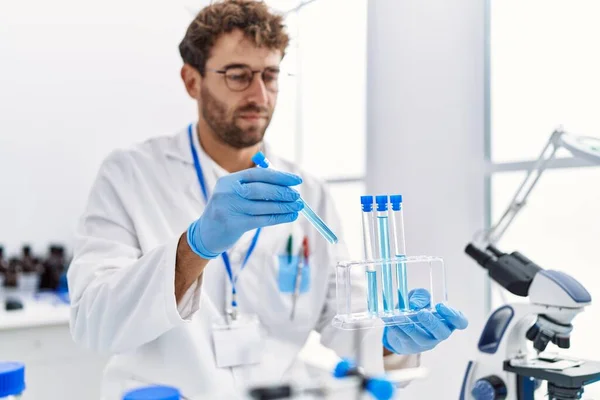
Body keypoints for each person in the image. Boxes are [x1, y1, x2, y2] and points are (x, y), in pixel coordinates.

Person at [67, 1, 468, 398]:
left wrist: (392, 340)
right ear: (192, 81)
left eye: (270, 75)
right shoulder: (130, 175)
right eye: (238, 75)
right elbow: (93, 321)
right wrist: (195, 246)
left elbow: (341, 318)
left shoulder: (309, 193)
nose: (259, 95)